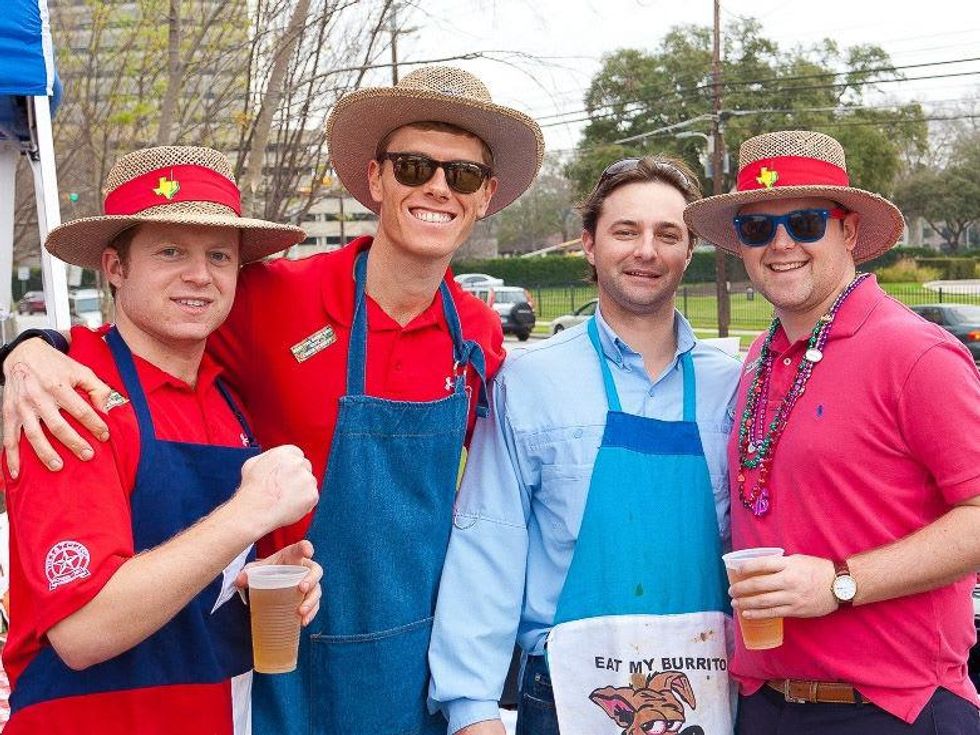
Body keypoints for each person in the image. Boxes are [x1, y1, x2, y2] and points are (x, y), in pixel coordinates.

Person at [0, 66, 544, 734]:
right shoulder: (269, 299)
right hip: (283, 681)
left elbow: (494, 511)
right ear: (376, 178)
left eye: (460, 175)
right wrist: (27, 350)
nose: (436, 186)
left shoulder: (479, 335)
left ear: (485, 195)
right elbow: (141, 336)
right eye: (412, 166)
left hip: (412, 670)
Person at [1, 145, 323, 734]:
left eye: (219, 255)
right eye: (170, 251)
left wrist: (246, 583)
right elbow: (83, 630)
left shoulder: (229, 401)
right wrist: (245, 516)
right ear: (116, 267)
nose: (199, 274)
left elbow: (190, 577)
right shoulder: (70, 395)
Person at [428, 156, 743, 735]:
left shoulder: (733, 386)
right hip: (568, 694)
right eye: (625, 231)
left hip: (705, 695)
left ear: (688, 250)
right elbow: (487, 545)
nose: (646, 249)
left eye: (667, 234)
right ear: (589, 245)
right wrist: (471, 709)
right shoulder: (530, 382)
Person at [683, 129, 980, 734]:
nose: (782, 244)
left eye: (807, 222)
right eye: (758, 229)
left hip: (893, 709)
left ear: (848, 232)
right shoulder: (761, 358)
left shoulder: (915, 353)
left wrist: (841, 583)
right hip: (766, 704)